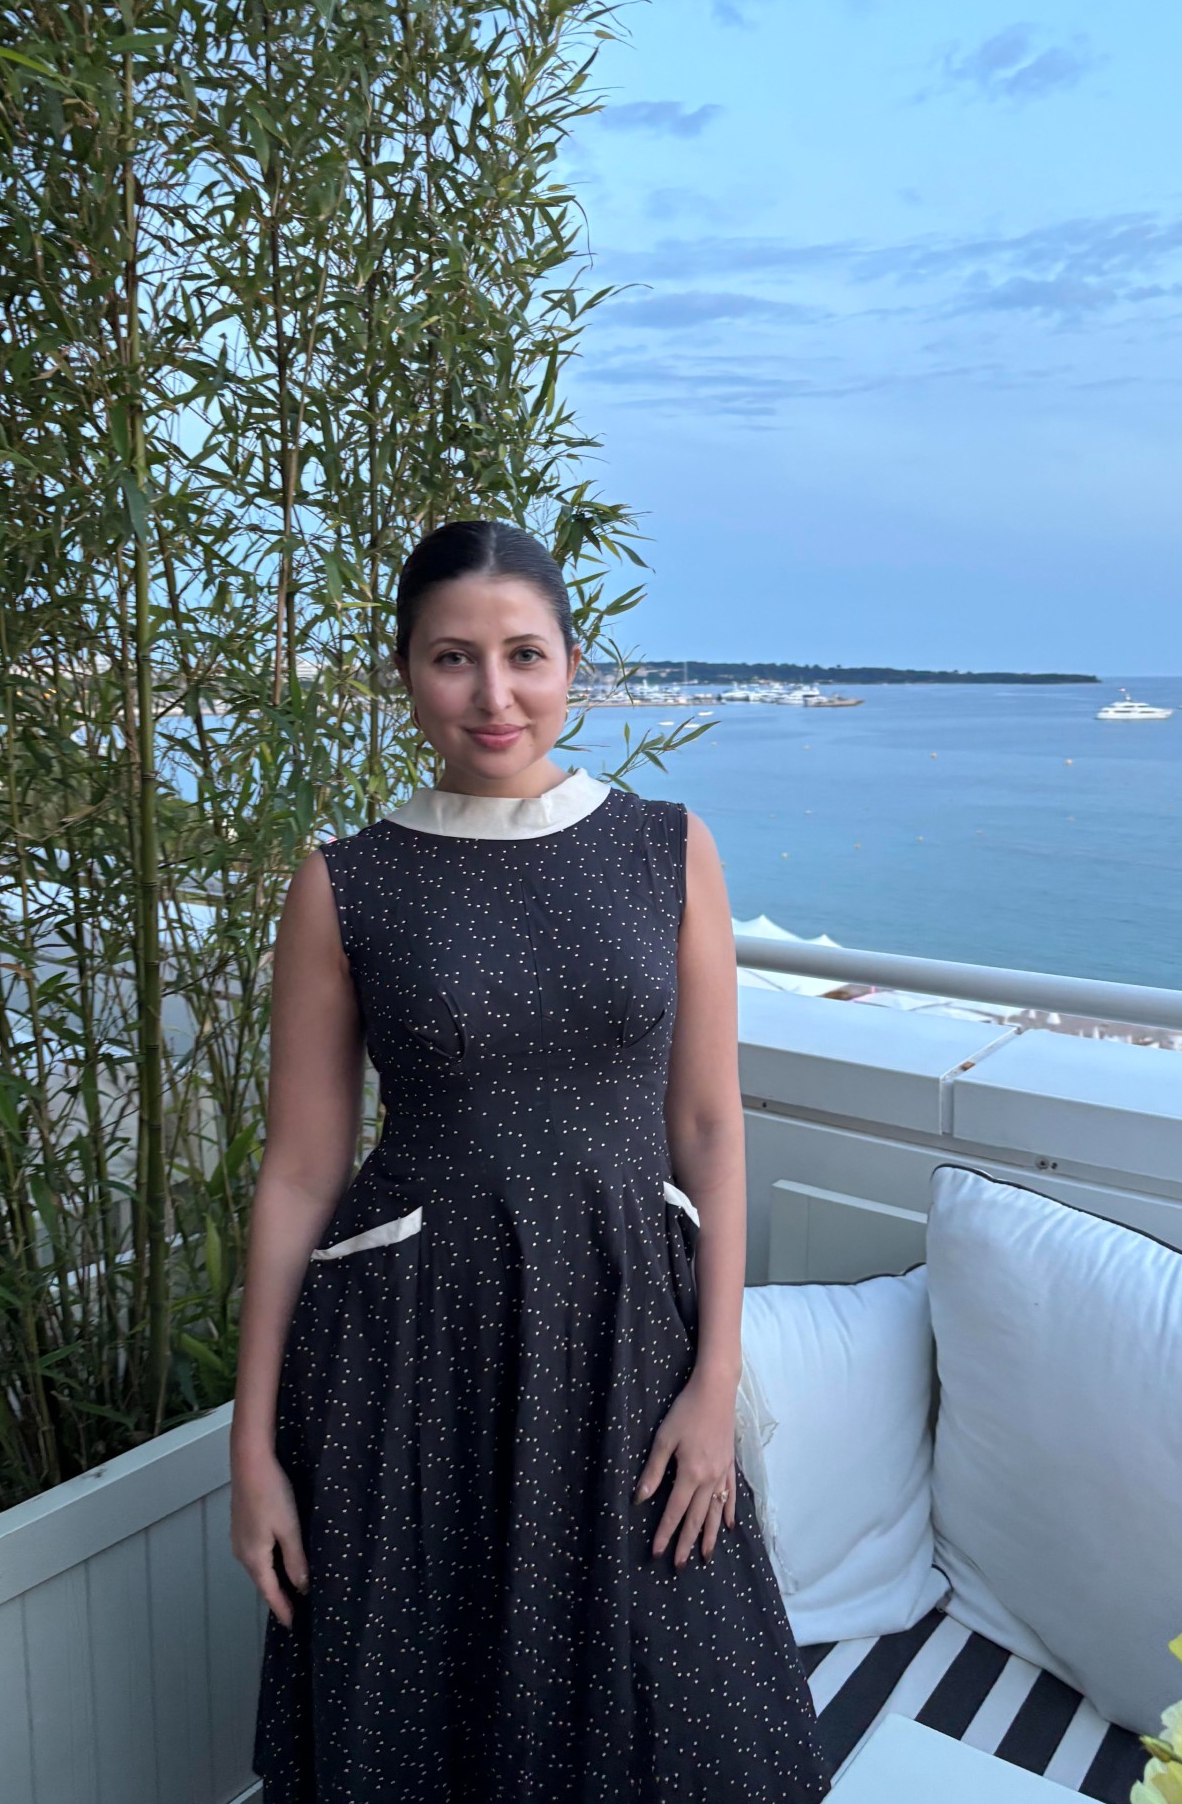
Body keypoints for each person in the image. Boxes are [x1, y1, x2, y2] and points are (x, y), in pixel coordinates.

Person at [231, 518, 834, 1802]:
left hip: (629, 1342)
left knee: (692, 1724)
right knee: (422, 1722)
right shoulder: (345, 881)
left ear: (573, 661)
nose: (493, 695)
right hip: (408, 1357)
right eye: (453, 659)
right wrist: (253, 1448)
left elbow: (712, 1128)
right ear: (403, 674)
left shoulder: (666, 846)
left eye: (523, 655)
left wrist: (716, 1377)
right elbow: (299, 1171)